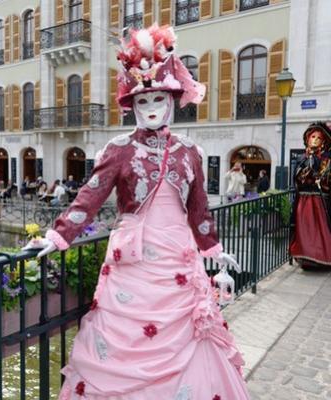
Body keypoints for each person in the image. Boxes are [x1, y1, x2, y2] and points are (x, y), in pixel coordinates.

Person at [24, 25, 249, 399]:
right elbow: (90, 197)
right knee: (123, 340)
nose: (150, 109)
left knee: (190, 338)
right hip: (133, 261)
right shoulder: (119, 149)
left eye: (157, 99)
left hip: (178, 259)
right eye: (142, 102)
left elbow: (198, 208)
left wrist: (213, 248)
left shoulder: (189, 151)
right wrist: (58, 236)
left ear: (172, 100)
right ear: (131, 106)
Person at [290, 121, 331, 267]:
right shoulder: (302, 158)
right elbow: (296, 178)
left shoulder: (327, 159)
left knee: (319, 230)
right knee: (304, 230)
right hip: (303, 200)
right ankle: (305, 259)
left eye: (318, 138)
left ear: (323, 142)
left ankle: (321, 258)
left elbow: (326, 179)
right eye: (312, 136)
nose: (314, 140)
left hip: (320, 201)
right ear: (308, 138)